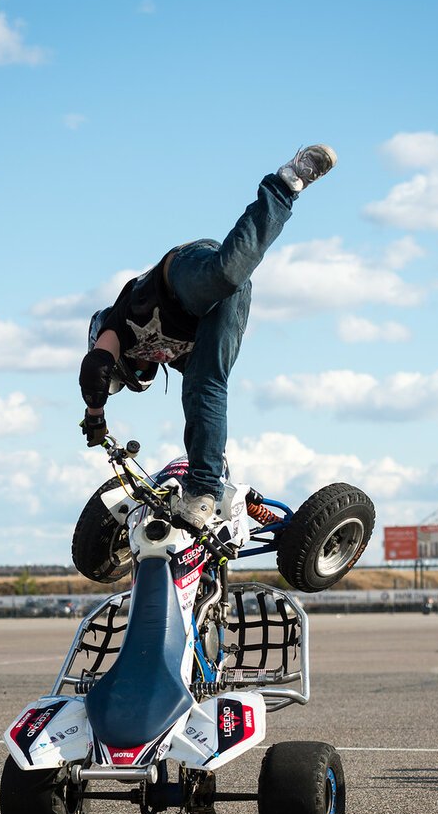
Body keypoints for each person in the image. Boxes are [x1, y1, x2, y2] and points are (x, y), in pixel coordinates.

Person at [79, 145, 337, 529]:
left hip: (183, 274)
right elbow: (205, 408)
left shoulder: (117, 326)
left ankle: (285, 183)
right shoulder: (176, 358)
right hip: (224, 306)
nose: (142, 371)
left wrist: (95, 416)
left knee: (225, 275)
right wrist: (212, 458)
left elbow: (96, 368)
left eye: (130, 373)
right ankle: (204, 492)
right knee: (205, 386)